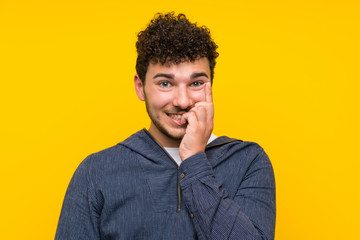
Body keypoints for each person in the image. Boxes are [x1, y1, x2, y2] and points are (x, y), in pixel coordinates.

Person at [55, 12, 276, 240]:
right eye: (165, 83)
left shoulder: (248, 161)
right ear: (140, 87)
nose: (182, 101)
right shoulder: (96, 172)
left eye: (196, 83)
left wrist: (193, 159)